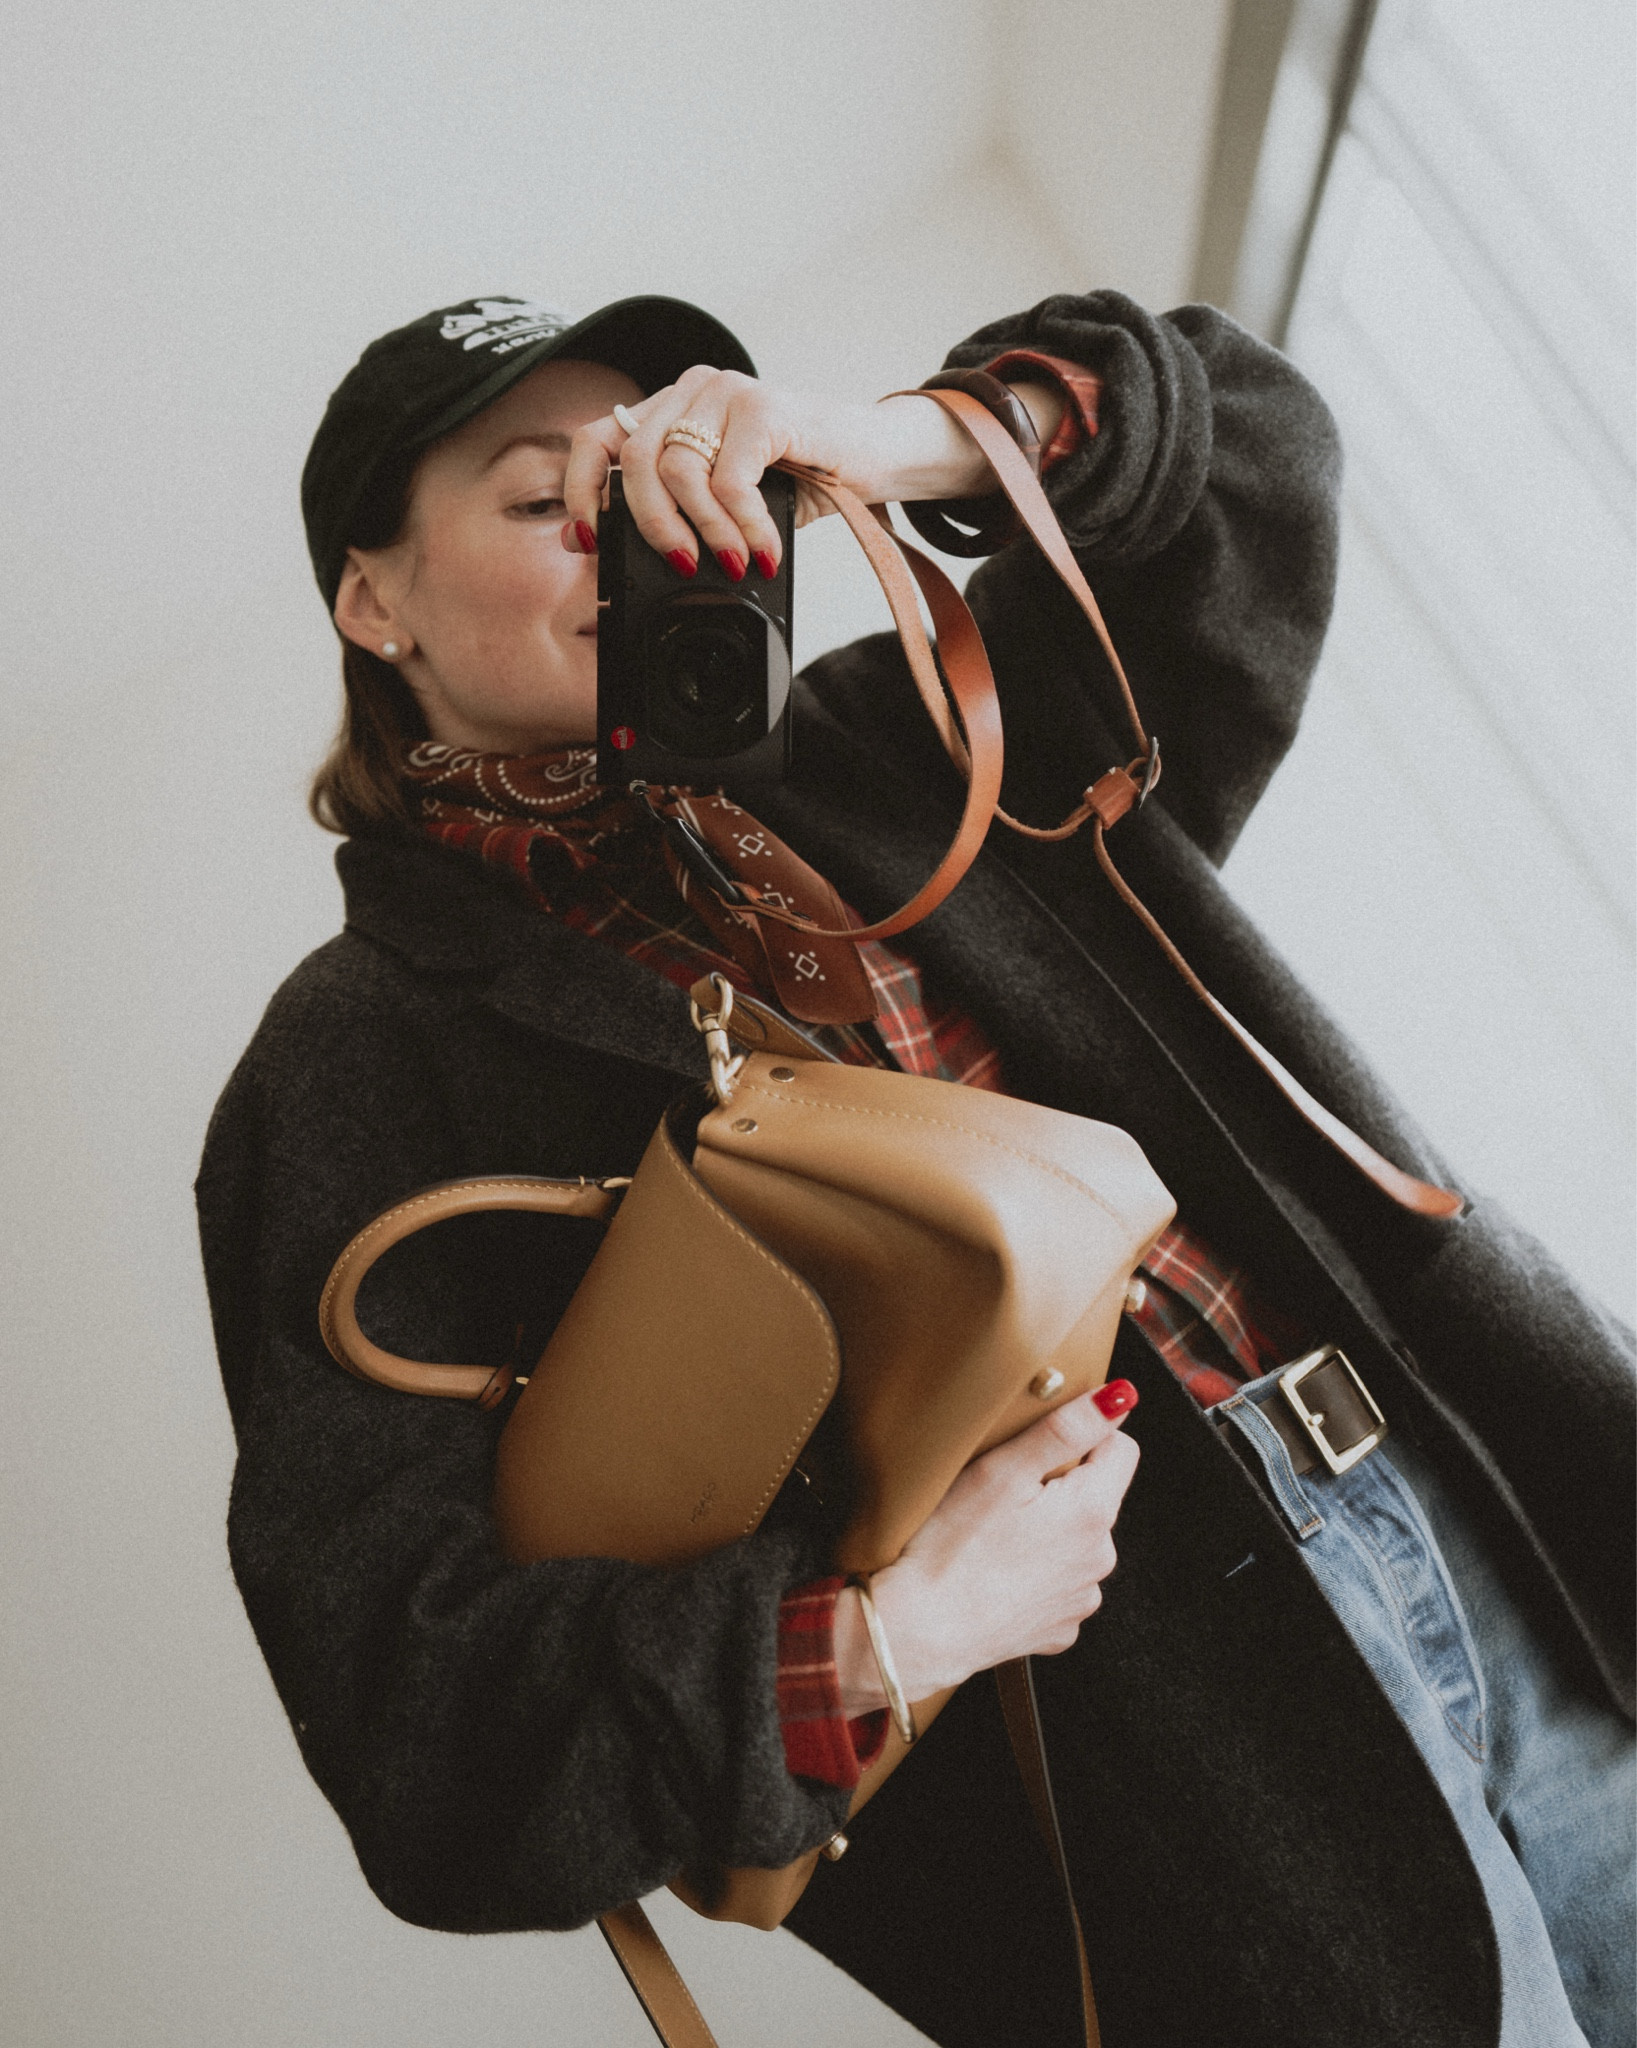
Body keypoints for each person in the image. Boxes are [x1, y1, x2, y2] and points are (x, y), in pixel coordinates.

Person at [196, 289, 1635, 2048]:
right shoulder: (356, 1063)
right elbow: (425, 1741)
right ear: (372, 599)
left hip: (1521, 1530)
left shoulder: (917, 742)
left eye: (647, 480)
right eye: (540, 500)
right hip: (1212, 1792)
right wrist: (882, 1635)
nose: (621, 528)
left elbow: (1250, 452)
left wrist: (893, 445)